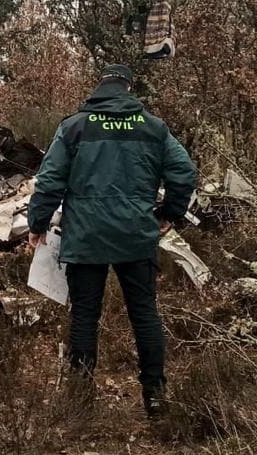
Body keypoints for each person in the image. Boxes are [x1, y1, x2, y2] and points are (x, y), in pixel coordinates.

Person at [27, 64, 197, 417]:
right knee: (145, 314)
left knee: (85, 315)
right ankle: (155, 398)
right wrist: (168, 213)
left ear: (99, 87)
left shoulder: (74, 127)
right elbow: (184, 173)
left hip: (86, 237)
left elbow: (49, 180)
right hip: (136, 235)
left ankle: (81, 401)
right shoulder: (153, 128)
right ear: (129, 87)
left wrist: (37, 223)